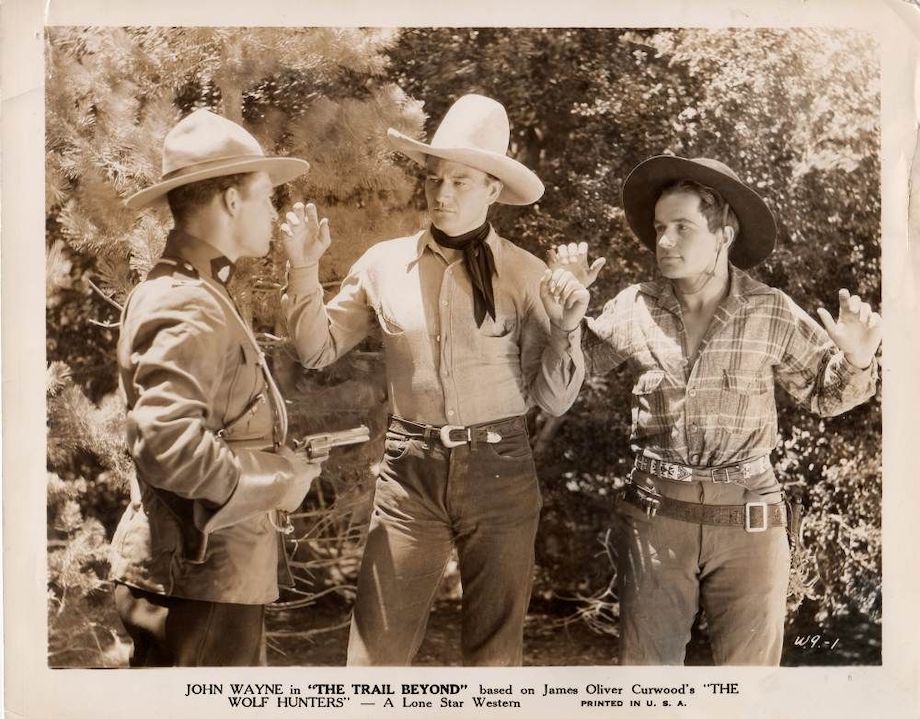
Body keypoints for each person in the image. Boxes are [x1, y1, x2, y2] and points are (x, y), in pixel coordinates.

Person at [278, 94, 588, 665]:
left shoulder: (527, 273)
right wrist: (301, 267)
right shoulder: (380, 263)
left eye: (461, 181)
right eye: (436, 178)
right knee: (374, 656)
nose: (442, 193)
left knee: (495, 660)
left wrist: (567, 330)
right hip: (409, 474)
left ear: (494, 190)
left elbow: (554, 398)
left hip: (500, 471)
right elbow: (315, 350)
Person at [551, 155, 881, 665]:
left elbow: (827, 395)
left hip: (750, 527)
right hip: (655, 521)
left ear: (724, 234)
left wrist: (858, 358)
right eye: (660, 228)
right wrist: (567, 317)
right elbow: (575, 370)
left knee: (747, 692)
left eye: (683, 227)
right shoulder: (636, 304)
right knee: (647, 689)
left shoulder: (769, 308)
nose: (664, 241)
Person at [109, 109, 323, 666]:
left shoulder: (198, 287)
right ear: (231, 201)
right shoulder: (183, 298)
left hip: (208, 578)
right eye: (266, 197)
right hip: (195, 587)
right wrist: (279, 482)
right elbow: (168, 443)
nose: (274, 215)